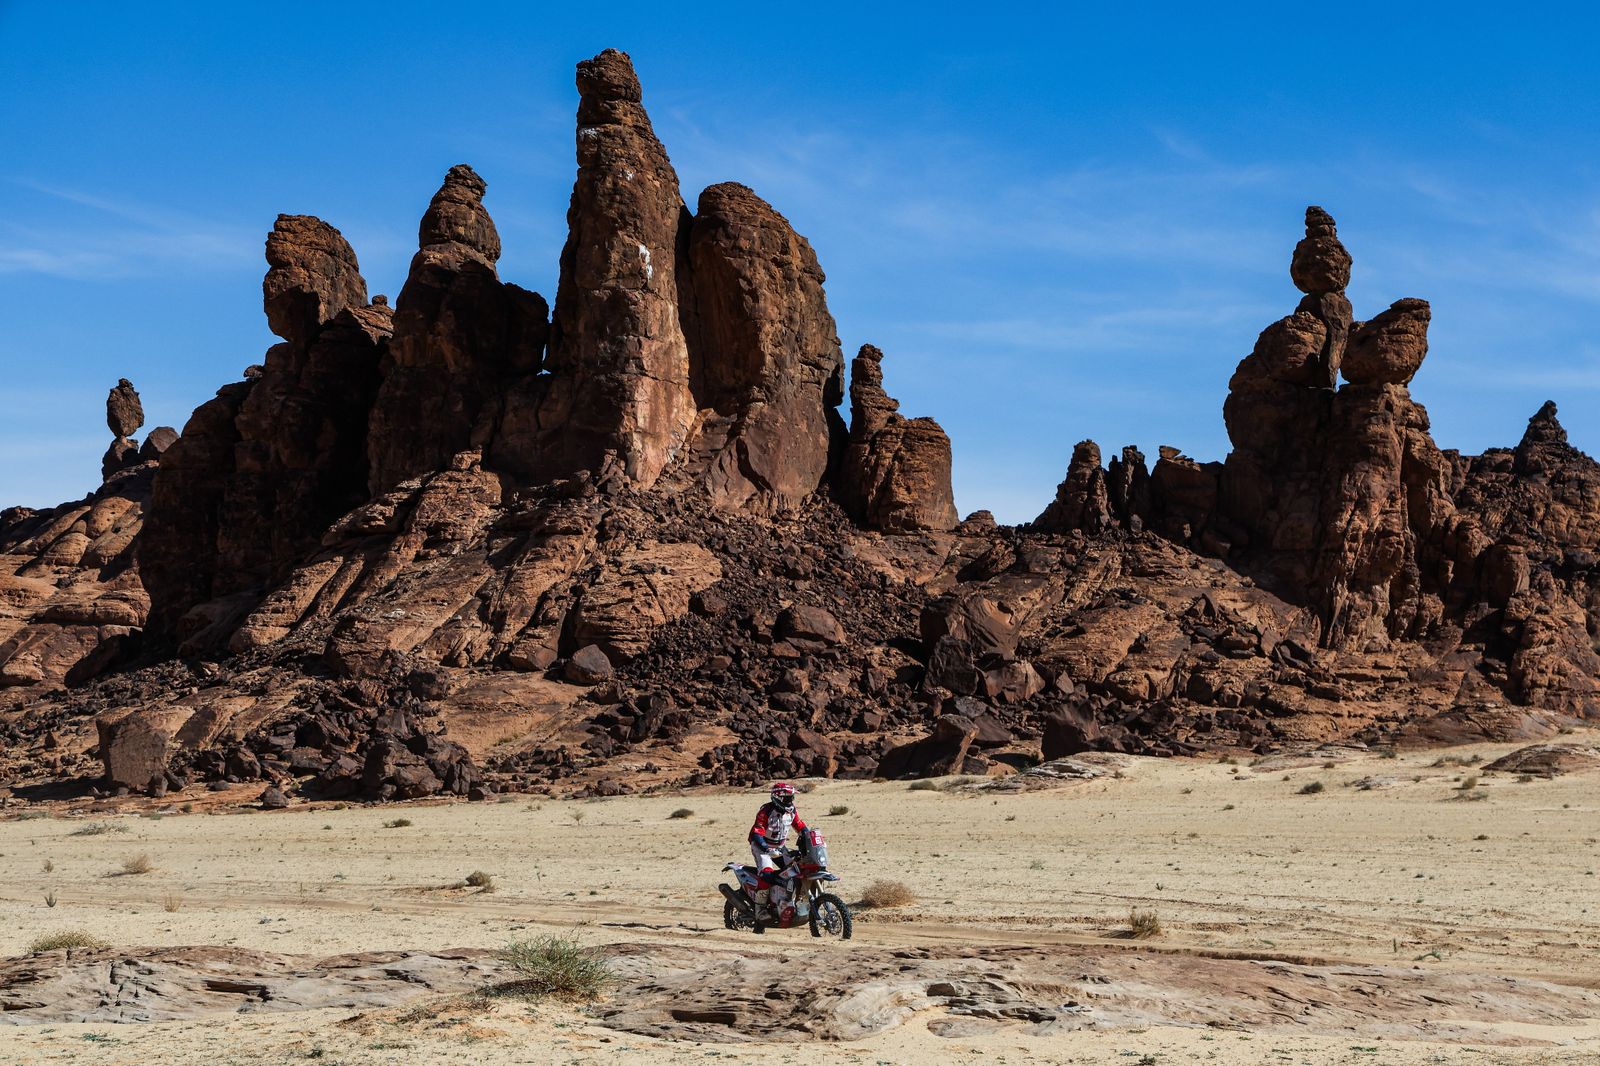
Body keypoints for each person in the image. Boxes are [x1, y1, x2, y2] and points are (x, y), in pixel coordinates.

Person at [749, 782, 807, 924]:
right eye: (788, 798)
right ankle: (760, 909)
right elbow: (757, 832)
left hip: (780, 847)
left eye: (792, 798)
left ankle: (790, 902)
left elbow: (800, 826)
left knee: (798, 869)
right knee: (767, 874)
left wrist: (810, 837)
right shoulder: (766, 811)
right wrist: (766, 849)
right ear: (778, 798)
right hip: (762, 847)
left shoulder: (791, 811)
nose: (791, 801)